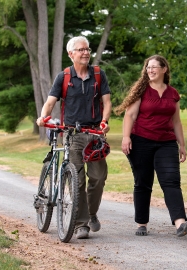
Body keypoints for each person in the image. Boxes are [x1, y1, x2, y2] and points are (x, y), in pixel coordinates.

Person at [36, 36, 112, 239]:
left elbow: (106, 101)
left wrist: (104, 121)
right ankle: (80, 224)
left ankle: (92, 213)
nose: (86, 52)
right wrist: (43, 117)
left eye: (87, 49)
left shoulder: (98, 74)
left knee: (98, 178)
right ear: (71, 54)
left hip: (95, 134)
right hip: (72, 135)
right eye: (81, 50)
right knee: (77, 180)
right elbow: (51, 102)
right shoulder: (64, 77)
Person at [114, 55, 187, 237]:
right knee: (143, 182)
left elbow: (176, 121)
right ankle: (141, 223)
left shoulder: (173, 94)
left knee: (171, 180)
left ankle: (180, 223)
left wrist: (182, 144)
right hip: (141, 140)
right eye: (148, 67)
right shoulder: (142, 91)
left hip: (166, 142)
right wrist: (126, 137)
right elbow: (130, 116)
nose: (150, 70)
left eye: (154, 67)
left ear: (164, 69)